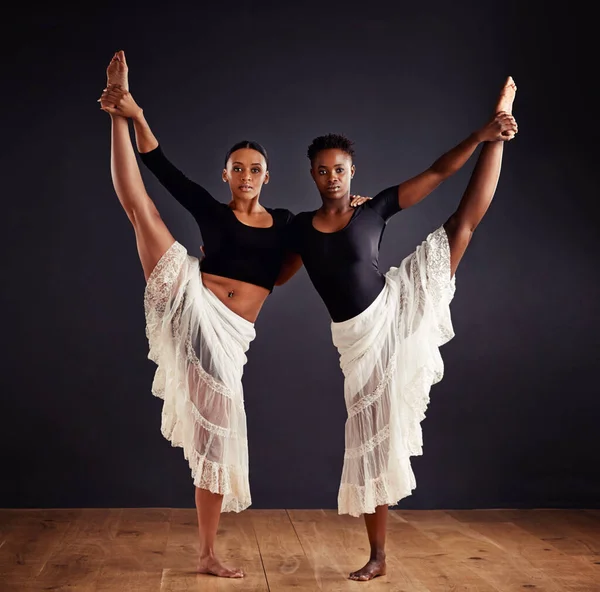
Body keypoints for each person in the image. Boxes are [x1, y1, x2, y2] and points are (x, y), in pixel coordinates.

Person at [98, 50, 367, 579]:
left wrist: (349, 207)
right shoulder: (211, 209)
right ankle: (112, 114)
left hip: (231, 335)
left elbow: (313, 244)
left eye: (256, 169)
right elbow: (159, 166)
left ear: (267, 177)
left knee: (217, 435)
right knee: (142, 211)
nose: (247, 175)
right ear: (226, 175)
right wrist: (132, 115)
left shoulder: (289, 222)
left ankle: (206, 553)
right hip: (191, 299)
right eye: (238, 168)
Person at [284, 77, 518, 581]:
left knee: (461, 227)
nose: (332, 178)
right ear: (311, 174)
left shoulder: (374, 209)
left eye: (340, 169)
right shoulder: (298, 228)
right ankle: (379, 555)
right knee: (372, 440)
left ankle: (500, 134)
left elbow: (436, 172)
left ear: (352, 171)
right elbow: (275, 272)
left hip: (397, 305)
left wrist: (481, 134)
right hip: (357, 342)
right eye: (323, 171)